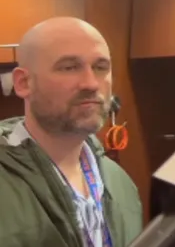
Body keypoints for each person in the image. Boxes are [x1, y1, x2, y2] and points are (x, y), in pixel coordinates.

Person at [0, 17, 143, 246]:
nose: (91, 83)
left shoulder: (121, 183)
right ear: (24, 83)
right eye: (69, 67)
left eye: (100, 67)